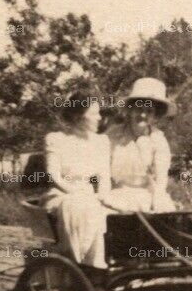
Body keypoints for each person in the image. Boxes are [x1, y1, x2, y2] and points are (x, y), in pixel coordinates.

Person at [42, 86, 113, 269]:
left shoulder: (101, 142)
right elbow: (54, 176)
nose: (99, 118)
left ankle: (97, 261)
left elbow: (104, 177)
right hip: (62, 194)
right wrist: (76, 193)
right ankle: (78, 261)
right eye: (94, 113)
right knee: (78, 205)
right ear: (78, 116)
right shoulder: (56, 139)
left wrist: (103, 196)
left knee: (105, 209)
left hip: (90, 196)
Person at [107, 76, 178, 214]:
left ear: (155, 114)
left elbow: (161, 177)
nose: (143, 115)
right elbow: (102, 170)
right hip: (117, 194)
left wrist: (157, 198)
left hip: (148, 194)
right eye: (139, 109)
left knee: (166, 213)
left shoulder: (158, 140)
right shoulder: (113, 135)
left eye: (149, 111)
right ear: (131, 109)